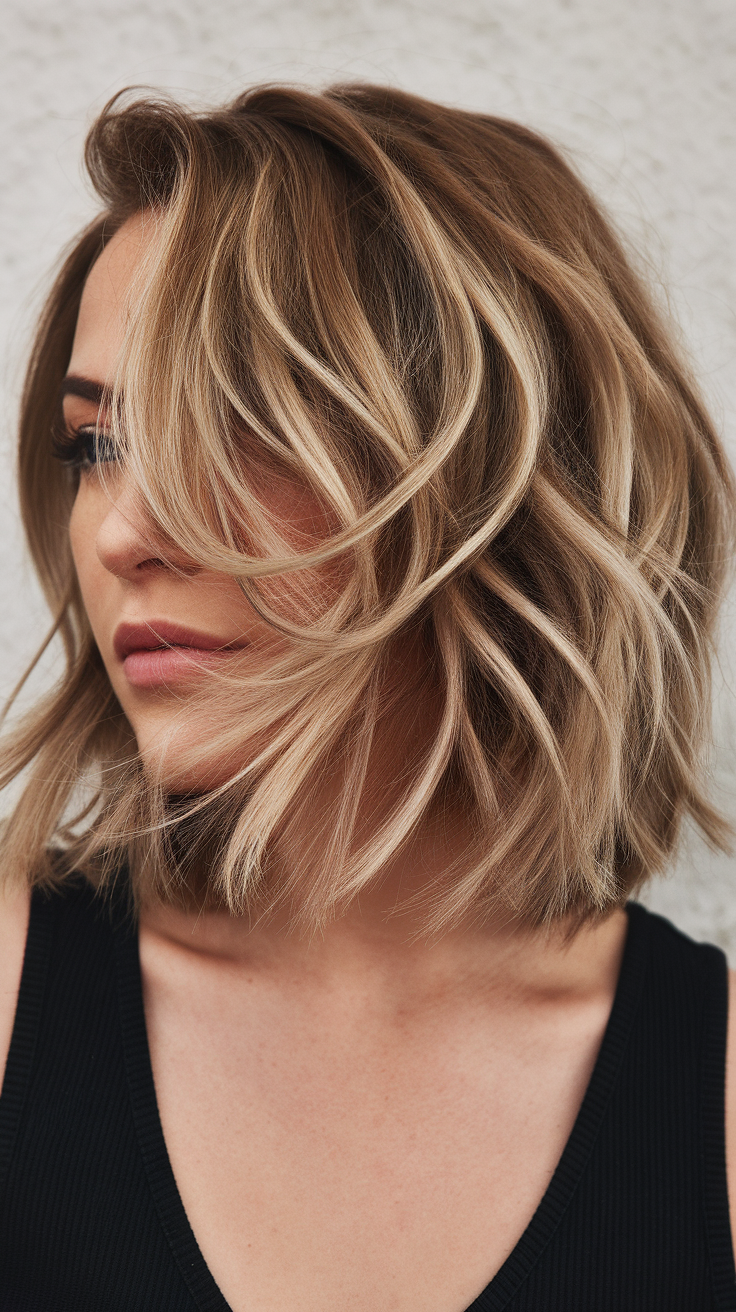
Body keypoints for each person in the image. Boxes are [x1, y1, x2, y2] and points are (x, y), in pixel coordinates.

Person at [0, 82, 734, 1312]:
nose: (122, 530)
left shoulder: (710, 1098)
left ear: (493, 479)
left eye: (235, 425)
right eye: (96, 445)